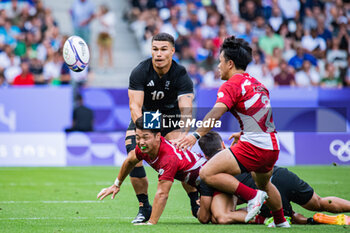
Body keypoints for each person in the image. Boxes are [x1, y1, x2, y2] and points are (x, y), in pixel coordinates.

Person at [176, 36, 290, 227]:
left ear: (230, 63)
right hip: (271, 145)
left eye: (220, 62)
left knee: (207, 173)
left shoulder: (231, 84)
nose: (218, 66)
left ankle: (253, 197)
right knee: (265, 184)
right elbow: (260, 117)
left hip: (255, 146)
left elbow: (216, 113)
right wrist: (244, 133)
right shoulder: (258, 84)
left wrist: (195, 135)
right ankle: (280, 221)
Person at [197, 131, 350, 225]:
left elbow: (208, 216)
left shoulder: (211, 172)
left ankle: (297, 219)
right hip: (280, 175)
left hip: (265, 191)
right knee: (319, 202)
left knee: (234, 213)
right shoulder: (237, 151)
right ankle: (304, 217)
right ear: (223, 145)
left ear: (205, 155)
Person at [125, 33, 194, 223]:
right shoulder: (140, 71)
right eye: (155, 49)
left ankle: (194, 199)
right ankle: (143, 207)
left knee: (180, 152)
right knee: (133, 154)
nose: (159, 54)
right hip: (146, 118)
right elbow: (134, 107)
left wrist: (184, 134)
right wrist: (144, 135)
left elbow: (186, 109)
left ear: (172, 51)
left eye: (164, 49)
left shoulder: (181, 74)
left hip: (171, 118)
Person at [97, 117, 208, 225]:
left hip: (211, 183)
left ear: (158, 136)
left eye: (146, 137)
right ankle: (198, 203)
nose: (141, 142)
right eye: (138, 137)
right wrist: (116, 184)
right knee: (204, 217)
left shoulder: (168, 157)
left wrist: (151, 223)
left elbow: (162, 194)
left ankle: (201, 202)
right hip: (202, 186)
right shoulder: (143, 149)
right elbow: (130, 161)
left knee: (219, 218)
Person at [96, 4, 115, 70]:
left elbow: (108, 25)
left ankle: (110, 66)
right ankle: (101, 65)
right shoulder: (101, 16)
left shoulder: (110, 15)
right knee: (101, 51)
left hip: (108, 35)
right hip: (101, 34)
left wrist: (101, 18)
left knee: (109, 51)